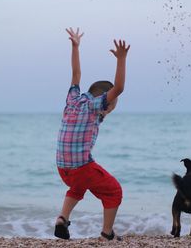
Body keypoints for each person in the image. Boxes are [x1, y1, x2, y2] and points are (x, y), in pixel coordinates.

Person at [55, 27, 130, 241]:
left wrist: (75, 46)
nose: (111, 109)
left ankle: (62, 218)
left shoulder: (73, 98)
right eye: (112, 105)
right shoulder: (95, 105)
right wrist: (121, 59)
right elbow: (120, 87)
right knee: (113, 190)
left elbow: (76, 74)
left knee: (78, 187)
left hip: (63, 167)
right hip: (80, 167)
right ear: (106, 100)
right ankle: (107, 233)